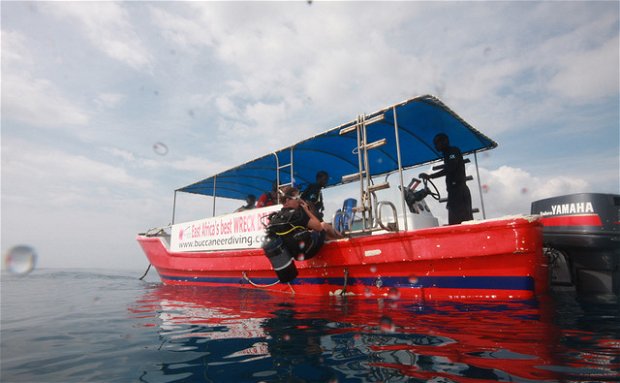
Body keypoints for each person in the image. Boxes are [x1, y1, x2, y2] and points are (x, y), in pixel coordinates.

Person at [419, 133, 473, 225]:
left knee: (461, 221)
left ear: (445, 141)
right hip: (454, 192)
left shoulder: (452, 151)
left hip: (459, 191)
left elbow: (451, 167)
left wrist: (430, 176)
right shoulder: (447, 154)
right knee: (455, 220)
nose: (436, 146)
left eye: (437, 143)